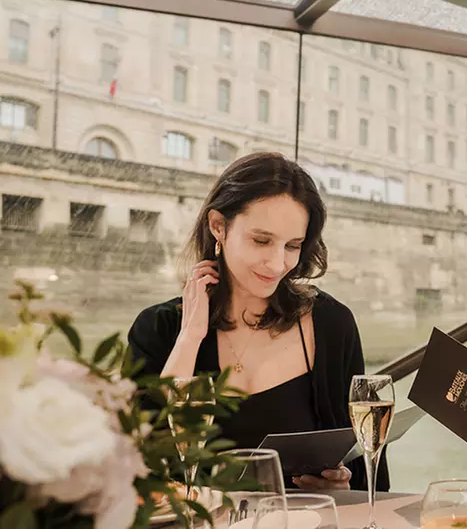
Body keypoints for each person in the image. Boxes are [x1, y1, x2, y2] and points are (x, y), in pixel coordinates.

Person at [127, 151, 389, 493]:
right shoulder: (158, 329)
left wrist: (343, 491)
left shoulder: (331, 323)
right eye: (261, 240)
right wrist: (190, 337)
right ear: (218, 226)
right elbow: (141, 467)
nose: (277, 263)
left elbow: (372, 473)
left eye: (292, 246)